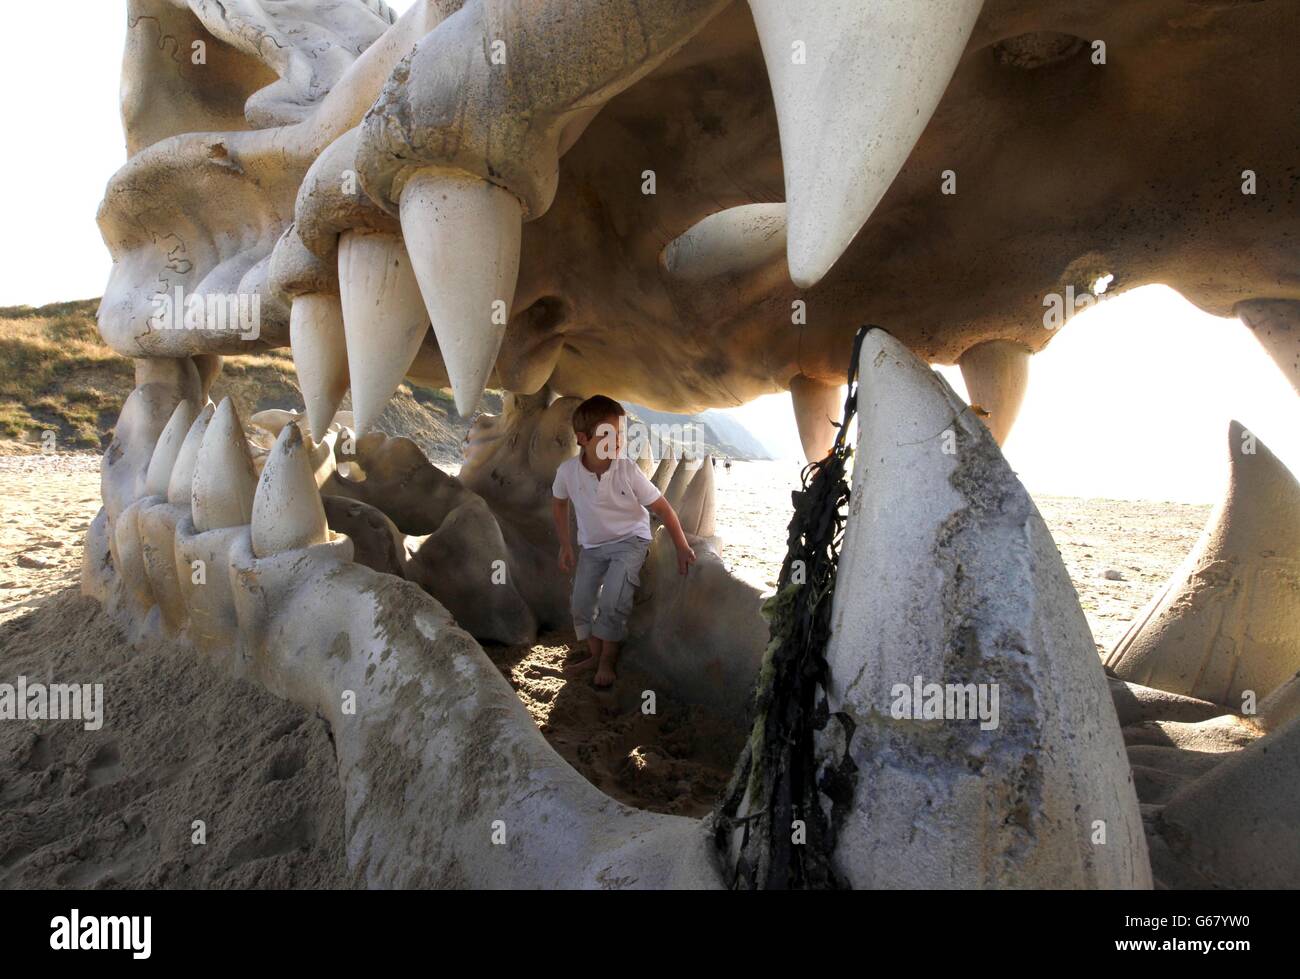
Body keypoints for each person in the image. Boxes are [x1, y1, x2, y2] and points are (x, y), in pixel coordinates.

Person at [552, 396, 696, 687]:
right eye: (608, 435)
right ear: (583, 439)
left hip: (631, 540)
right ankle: (594, 654)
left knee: (613, 598)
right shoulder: (567, 472)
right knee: (580, 603)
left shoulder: (627, 469)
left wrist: (681, 545)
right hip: (592, 546)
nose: (618, 441)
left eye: (620, 434)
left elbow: (663, 508)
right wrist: (565, 544)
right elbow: (559, 504)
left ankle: (607, 659)